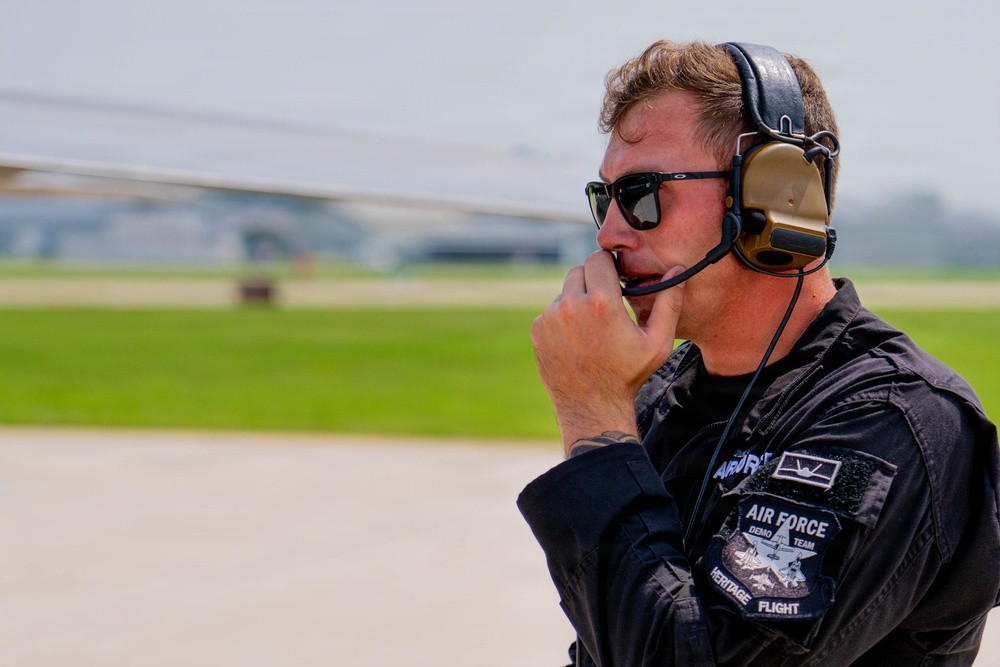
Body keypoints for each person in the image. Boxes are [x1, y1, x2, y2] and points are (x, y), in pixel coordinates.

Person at [517, 40, 1000, 666]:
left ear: (775, 196)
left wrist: (592, 416)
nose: (609, 233)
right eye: (603, 198)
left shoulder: (892, 423)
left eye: (641, 193)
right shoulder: (661, 394)